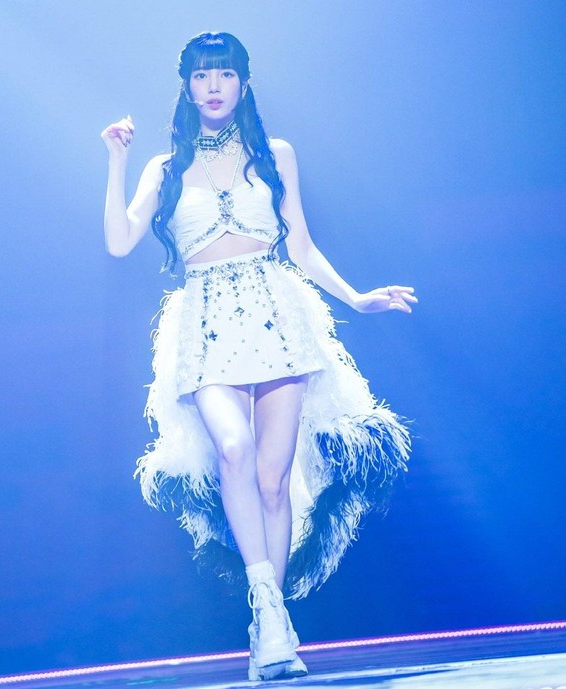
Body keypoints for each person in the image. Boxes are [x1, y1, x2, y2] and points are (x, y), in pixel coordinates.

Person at [101, 31, 416, 682]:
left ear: (243, 83)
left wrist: (357, 298)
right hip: (206, 321)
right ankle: (264, 602)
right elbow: (118, 240)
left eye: (224, 74)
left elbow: (300, 246)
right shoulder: (165, 167)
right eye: (201, 75)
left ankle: (274, 627)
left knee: (274, 477)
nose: (213, 86)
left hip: (276, 315)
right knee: (234, 449)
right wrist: (116, 161)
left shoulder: (276, 155)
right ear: (187, 86)